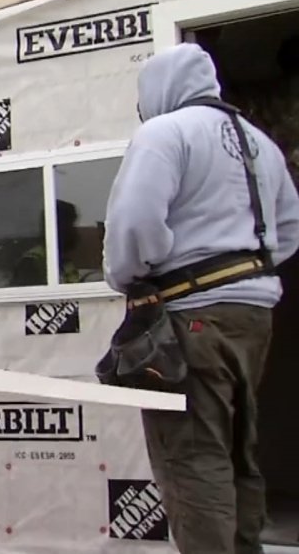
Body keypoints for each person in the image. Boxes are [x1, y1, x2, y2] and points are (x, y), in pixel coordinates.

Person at [103, 43, 299, 553]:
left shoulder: (165, 134)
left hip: (193, 316)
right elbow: (289, 229)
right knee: (237, 450)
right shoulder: (260, 144)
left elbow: (134, 224)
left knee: (192, 456)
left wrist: (129, 276)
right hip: (253, 314)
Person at [10, 200, 81, 286]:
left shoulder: (63, 261)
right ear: (60, 227)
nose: (75, 231)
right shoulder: (30, 263)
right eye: (71, 225)